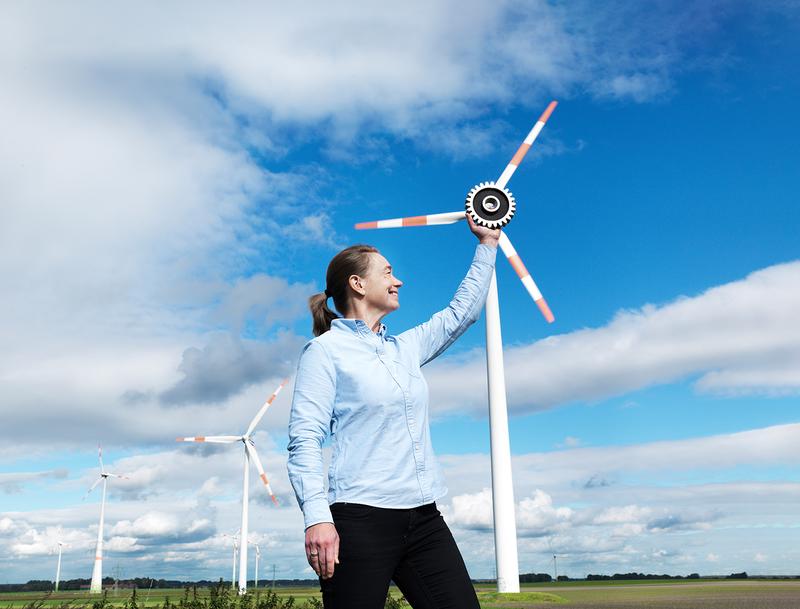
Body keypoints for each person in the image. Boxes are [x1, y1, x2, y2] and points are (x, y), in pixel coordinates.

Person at [287, 215, 499, 609]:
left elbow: (461, 313)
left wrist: (487, 245)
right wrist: (317, 517)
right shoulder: (325, 352)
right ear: (358, 283)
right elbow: (304, 440)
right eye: (387, 272)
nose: (397, 280)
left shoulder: (405, 349)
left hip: (424, 517)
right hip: (360, 519)